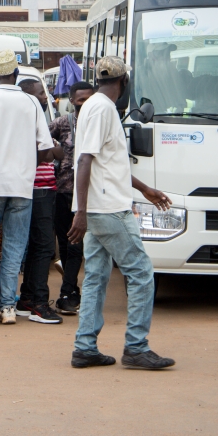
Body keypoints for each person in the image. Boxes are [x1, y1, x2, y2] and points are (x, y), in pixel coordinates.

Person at [68, 57, 175, 370]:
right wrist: (82, 212)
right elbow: (85, 161)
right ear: (125, 82)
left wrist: (144, 189)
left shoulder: (96, 106)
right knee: (141, 273)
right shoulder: (102, 109)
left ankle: (85, 347)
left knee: (96, 278)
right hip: (108, 209)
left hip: (101, 206)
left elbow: (106, 164)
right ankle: (136, 347)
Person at [0, 50, 53, 325]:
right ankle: (8, 307)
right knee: (16, 244)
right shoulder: (30, 101)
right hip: (22, 183)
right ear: (16, 73)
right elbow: (46, 143)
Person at [15, 77, 65, 325]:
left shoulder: (33, 120)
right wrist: (53, 147)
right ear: (29, 96)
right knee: (44, 246)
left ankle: (27, 299)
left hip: (41, 187)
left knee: (38, 246)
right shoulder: (29, 123)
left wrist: (53, 148)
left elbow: (56, 151)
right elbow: (48, 152)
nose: (46, 98)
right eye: (40, 94)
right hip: (38, 189)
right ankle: (38, 303)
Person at [50, 81, 95, 316]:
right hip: (62, 191)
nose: (85, 104)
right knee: (65, 244)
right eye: (80, 101)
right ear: (71, 101)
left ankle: (68, 293)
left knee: (76, 244)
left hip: (88, 193)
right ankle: (71, 290)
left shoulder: (99, 122)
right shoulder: (62, 123)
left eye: (89, 100)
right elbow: (42, 139)